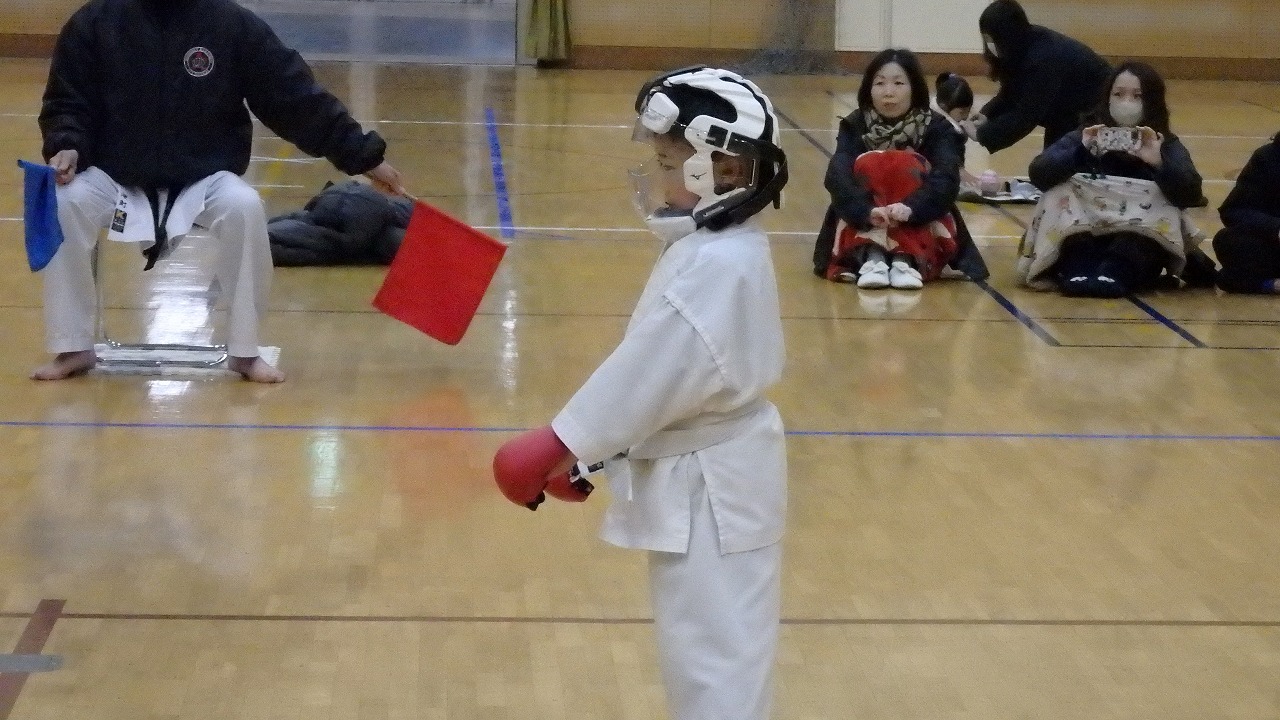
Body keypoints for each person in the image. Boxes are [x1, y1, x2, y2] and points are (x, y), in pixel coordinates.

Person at [491, 67, 789, 720]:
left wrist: (557, 443)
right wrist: (592, 456)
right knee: (704, 659)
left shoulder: (721, 265)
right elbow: (672, 389)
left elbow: (648, 377)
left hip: (716, 493)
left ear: (724, 170)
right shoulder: (713, 248)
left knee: (716, 671)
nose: (656, 175)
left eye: (668, 163)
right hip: (711, 479)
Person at [32, 0, 403, 382]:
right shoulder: (94, 23)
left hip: (203, 179)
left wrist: (364, 157)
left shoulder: (230, 25)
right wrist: (66, 144)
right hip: (115, 178)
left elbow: (295, 98)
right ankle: (73, 346)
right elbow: (66, 102)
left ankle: (245, 351)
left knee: (244, 205)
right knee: (65, 201)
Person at [1020, 61, 1207, 297]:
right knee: (1058, 193)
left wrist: (1159, 163)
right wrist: (1080, 153)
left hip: (1135, 244)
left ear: (1151, 101)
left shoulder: (1164, 143)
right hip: (1085, 234)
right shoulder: (1087, 134)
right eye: (1118, 94)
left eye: (1137, 96)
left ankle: (1115, 272)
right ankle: (1077, 268)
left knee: (1162, 202)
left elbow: (1191, 194)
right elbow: (1039, 174)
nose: (1126, 102)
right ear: (1107, 98)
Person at [814, 48, 987, 288]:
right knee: (870, 162)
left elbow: (946, 178)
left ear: (914, 88)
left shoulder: (936, 127)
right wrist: (866, 211)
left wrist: (910, 208)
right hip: (867, 217)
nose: (889, 92)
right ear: (868, 89)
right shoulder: (855, 124)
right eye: (880, 83)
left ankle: (906, 260)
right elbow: (838, 175)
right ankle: (872, 257)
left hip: (919, 216)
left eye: (898, 83)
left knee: (907, 163)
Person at [960, 0, 1111, 154]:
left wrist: (982, 135)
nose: (989, 45)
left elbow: (1026, 116)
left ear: (1006, 36)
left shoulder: (1043, 59)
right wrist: (987, 114)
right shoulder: (1024, 43)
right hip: (1066, 112)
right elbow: (1012, 91)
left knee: (1054, 163)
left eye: (991, 39)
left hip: (1098, 113)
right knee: (1050, 161)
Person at [1213, 132, 1280, 294]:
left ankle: (1256, 283)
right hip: (1274, 246)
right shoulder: (1268, 157)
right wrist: (1276, 227)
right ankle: (1270, 284)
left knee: (1231, 277)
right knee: (1227, 240)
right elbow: (1234, 210)